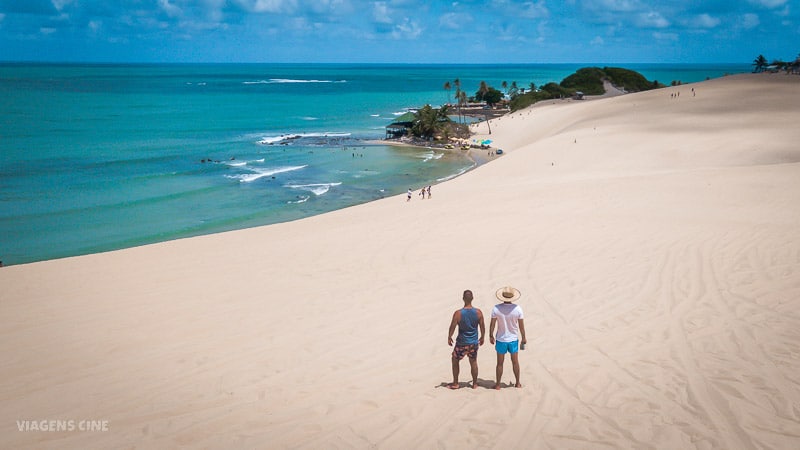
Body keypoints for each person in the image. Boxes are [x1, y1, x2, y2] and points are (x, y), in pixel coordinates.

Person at [447, 290, 485, 389]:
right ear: (472, 298)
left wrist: (449, 337)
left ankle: (455, 383)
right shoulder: (478, 312)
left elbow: (452, 327)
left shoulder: (458, 313)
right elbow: (482, 326)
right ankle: (475, 383)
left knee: (455, 360)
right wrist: (482, 337)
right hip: (473, 342)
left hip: (461, 343)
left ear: (463, 299)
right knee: (473, 361)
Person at [490, 286, 526, 389]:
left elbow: (492, 324)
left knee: (499, 363)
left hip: (501, 339)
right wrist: (524, 338)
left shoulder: (496, 308)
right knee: (515, 362)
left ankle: (497, 385)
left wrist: (490, 335)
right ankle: (518, 383)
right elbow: (521, 326)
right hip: (513, 340)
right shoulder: (518, 309)